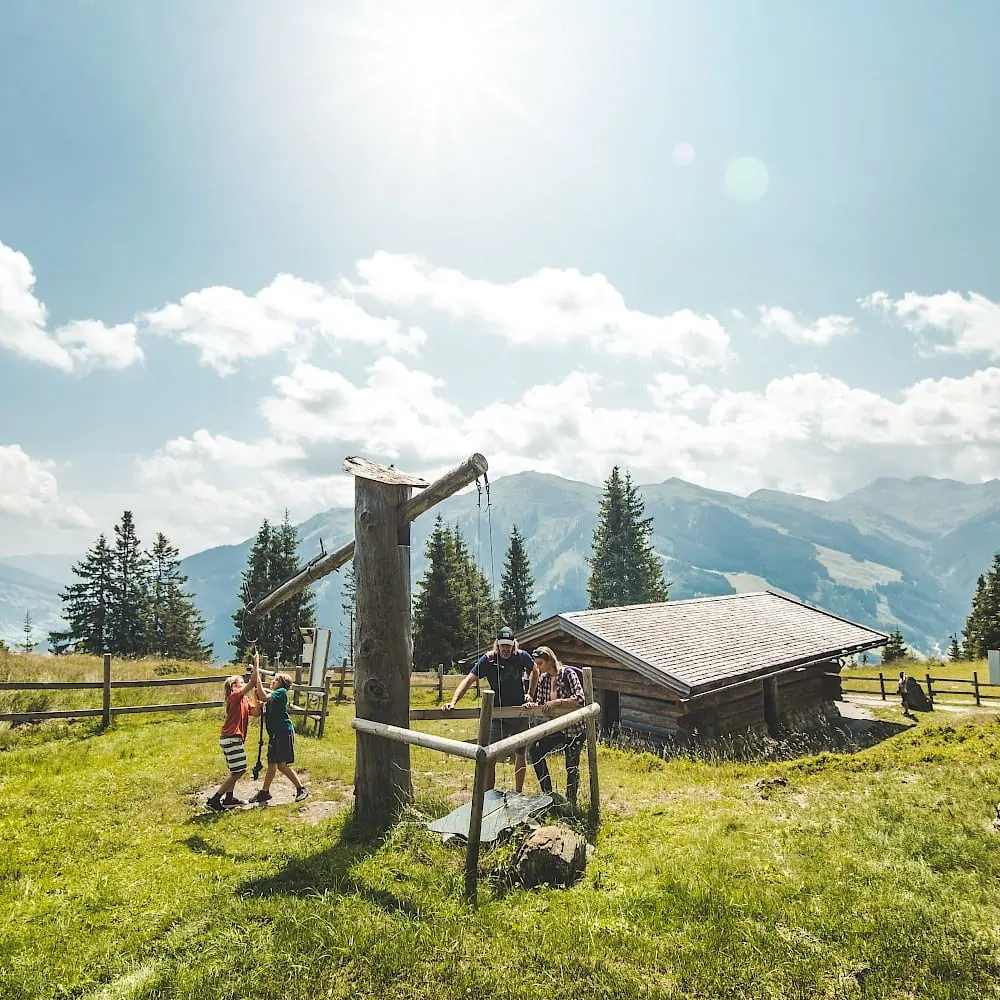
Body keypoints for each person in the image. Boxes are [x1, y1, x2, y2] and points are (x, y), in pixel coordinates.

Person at [442, 626, 534, 793]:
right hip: (496, 715)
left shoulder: (521, 657)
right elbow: (468, 680)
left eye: (509, 645)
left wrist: (530, 694)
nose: (506, 649)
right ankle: (488, 795)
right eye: (502, 645)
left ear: (514, 645)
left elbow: (535, 670)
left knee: (521, 753)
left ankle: (518, 792)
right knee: (490, 755)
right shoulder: (489, 660)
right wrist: (453, 701)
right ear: (497, 645)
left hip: (519, 712)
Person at [525, 645, 586, 805]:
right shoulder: (544, 679)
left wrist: (558, 702)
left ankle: (571, 801)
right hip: (555, 727)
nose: (538, 667)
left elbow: (580, 699)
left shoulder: (568, 674)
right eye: (536, 664)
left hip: (573, 728)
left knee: (571, 765)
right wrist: (533, 704)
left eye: (540, 663)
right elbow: (541, 702)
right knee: (535, 750)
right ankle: (548, 794)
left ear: (550, 661)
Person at [206, 653, 261, 813]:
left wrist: (257, 696)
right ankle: (215, 799)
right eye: (240, 683)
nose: (243, 685)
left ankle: (229, 798)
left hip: (232, 738)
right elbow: (251, 683)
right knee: (239, 770)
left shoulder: (243, 700)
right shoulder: (234, 696)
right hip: (231, 737)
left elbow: (256, 713)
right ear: (233, 687)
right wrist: (256, 664)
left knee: (235, 769)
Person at [250, 668, 309, 805]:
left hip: (283, 732)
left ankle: (301, 788)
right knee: (272, 764)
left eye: (275, 679)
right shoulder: (274, 695)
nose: (272, 681)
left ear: (282, 683)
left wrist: (257, 676)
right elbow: (260, 706)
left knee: (281, 765)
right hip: (275, 734)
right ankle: (264, 792)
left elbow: (264, 697)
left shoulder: (281, 693)